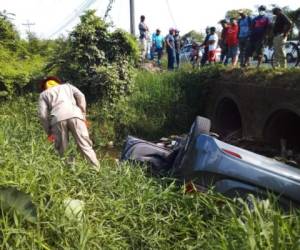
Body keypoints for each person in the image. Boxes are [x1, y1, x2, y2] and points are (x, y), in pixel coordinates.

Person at [38, 76, 100, 171]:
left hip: (57, 119)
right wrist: (82, 113)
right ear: (57, 82)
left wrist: (49, 132)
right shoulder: (68, 86)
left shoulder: (43, 94)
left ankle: (70, 173)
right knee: (85, 145)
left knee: (63, 150)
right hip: (76, 115)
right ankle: (96, 171)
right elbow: (81, 96)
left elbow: (42, 115)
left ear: (44, 87)